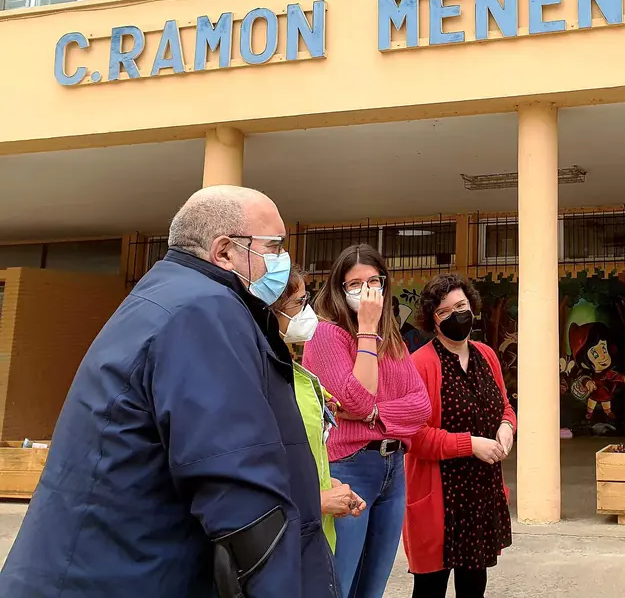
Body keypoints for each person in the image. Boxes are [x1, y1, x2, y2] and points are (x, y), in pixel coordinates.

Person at [0, 186, 338, 597]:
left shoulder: (167, 295)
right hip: (124, 575)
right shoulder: (203, 311)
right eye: (274, 246)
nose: (282, 261)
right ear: (225, 251)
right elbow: (240, 491)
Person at [303, 244, 432, 598]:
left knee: (373, 585)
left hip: (393, 467)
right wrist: (366, 329)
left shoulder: (392, 339)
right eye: (356, 284)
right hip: (350, 466)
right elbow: (355, 400)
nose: (367, 291)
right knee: (340, 581)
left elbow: (421, 405)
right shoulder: (326, 334)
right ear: (339, 289)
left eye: (374, 281)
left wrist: (376, 413)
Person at [403, 273, 514, 598]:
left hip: (481, 495)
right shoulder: (419, 364)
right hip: (442, 498)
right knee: (429, 588)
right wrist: (471, 445)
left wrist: (507, 428)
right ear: (432, 319)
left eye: (461, 306)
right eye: (445, 311)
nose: (457, 316)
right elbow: (416, 438)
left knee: (474, 584)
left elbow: (505, 407)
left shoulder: (486, 355)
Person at [270, 263, 367, 552]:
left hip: (316, 538)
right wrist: (318, 500)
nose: (308, 311)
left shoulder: (293, 373)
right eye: (299, 303)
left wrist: (330, 483)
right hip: (282, 545)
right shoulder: (259, 379)